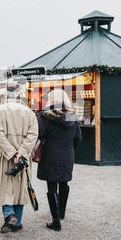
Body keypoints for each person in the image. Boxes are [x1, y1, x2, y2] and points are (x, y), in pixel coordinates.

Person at [0, 81, 38, 233]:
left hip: (5, 156)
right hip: (22, 157)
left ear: (5, 93)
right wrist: (21, 153)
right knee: (21, 187)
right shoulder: (29, 112)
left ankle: (9, 214)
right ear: (20, 93)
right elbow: (33, 134)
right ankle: (17, 222)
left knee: (5, 187)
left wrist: (11, 153)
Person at [37, 89, 82, 231]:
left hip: (50, 153)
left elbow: (40, 134)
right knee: (64, 182)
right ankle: (61, 213)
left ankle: (56, 221)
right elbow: (78, 138)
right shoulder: (72, 116)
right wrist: (69, 148)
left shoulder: (44, 116)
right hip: (67, 153)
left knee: (51, 186)